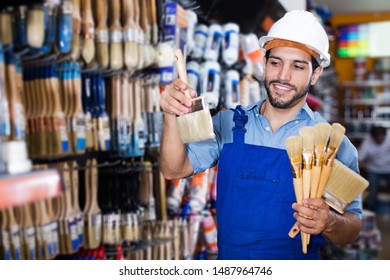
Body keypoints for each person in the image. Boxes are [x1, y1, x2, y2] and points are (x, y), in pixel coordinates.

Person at [159, 10, 362, 260]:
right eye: (275, 62)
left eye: (297, 67)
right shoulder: (229, 123)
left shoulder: (332, 144)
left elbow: (352, 227)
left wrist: (329, 221)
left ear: (316, 74)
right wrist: (171, 114)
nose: (283, 76)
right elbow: (173, 169)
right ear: (264, 63)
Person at [358, 125, 390, 212]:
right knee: (372, 194)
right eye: (377, 138)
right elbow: (359, 159)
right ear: (373, 138)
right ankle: (371, 213)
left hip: (388, 168)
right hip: (374, 170)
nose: (380, 140)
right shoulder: (367, 143)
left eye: (382, 137)